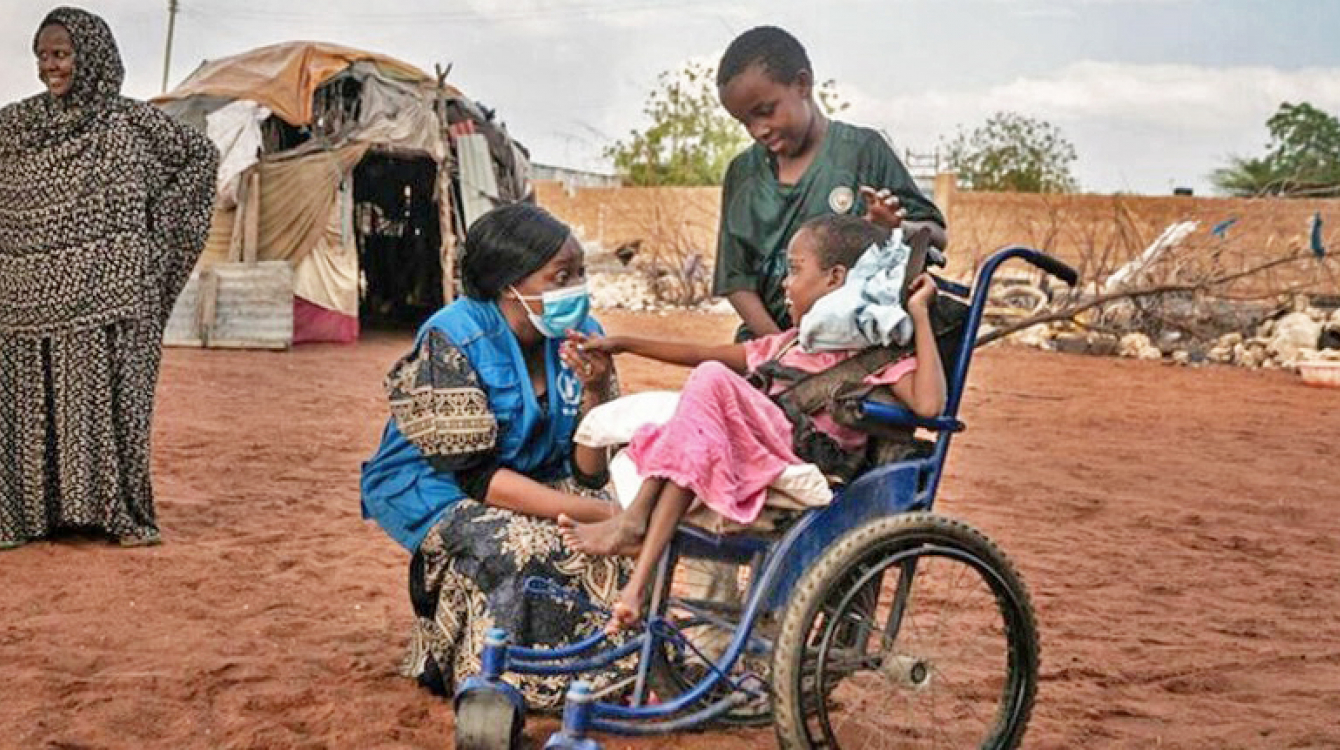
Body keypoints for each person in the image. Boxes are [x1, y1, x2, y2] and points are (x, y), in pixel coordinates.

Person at [561, 214, 947, 632]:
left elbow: (929, 406)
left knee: (709, 383)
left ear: (836, 278)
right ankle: (636, 574)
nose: (784, 282)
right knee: (694, 418)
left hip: (801, 462)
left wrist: (919, 315)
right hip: (756, 451)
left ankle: (635, 536)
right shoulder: (789, 345)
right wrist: (625, 344)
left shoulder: (878, 358)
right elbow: (702, 350)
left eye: (795, 270)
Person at [360, 203, 629, 706]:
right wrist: (599, 514)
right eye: (561, 276)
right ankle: (496, 680)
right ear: (510, 284)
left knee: (621, 546)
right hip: (435, 485)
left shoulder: (579, 335)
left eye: (581, 273)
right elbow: (476, 480)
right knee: (524, 546)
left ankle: (601, 672)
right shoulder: (451, 337)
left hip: (533, 469)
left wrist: (594, 395)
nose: (578, 288)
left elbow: (588, 474)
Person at [0, 7, 219, 549]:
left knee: (115, 403)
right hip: (26, 296)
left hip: (112, 295)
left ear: (91, 56)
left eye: (60, 54)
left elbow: (201, 158)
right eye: (42, 56)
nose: (48, 66)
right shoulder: (16, 126)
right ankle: (34, 515)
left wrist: (151, 235)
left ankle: (113, 512)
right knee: (27, 407)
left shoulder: (131, 122)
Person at [712, 25, 947, 342]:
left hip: (852, 347)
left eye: (765, 112)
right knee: (709, 384)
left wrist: (893, 229)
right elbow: (736, 280)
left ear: (802, 84)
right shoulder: (743, 174)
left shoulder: (863, 151)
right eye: (745, 122)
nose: (758, 130)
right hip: (767, 346)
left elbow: (937, 236)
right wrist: (785, 346)